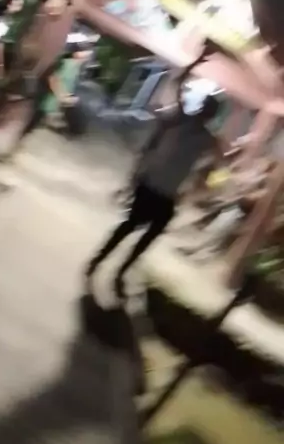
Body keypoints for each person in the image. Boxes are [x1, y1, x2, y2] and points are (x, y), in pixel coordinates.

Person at [85, 43, 223, 298]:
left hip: (166, 193)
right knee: (130, 227)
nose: (204, 111)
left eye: (208, 109)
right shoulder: (181, 119)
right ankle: (102, 261)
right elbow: (177, 83)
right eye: (205, 107)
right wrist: (197, 61)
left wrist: (202, 181)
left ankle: (118, 269)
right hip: (151, 185)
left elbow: (215, 164)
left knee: (145, 235)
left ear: (208, 113)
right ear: (203, 109)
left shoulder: (206, 138)